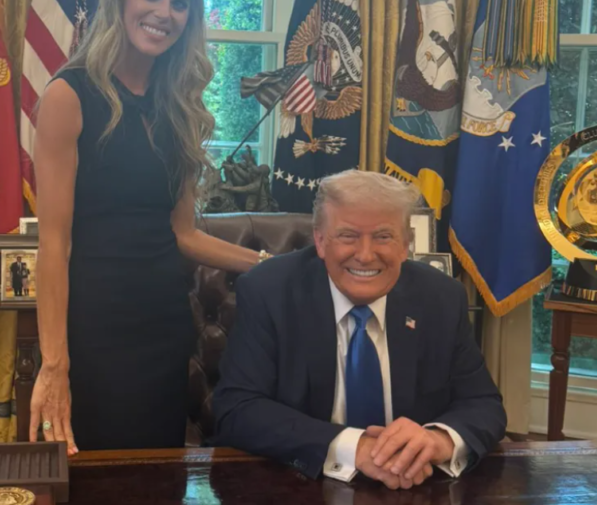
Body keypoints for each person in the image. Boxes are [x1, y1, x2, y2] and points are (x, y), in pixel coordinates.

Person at [32, 0, 269, 454]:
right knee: (96, 476)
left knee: (156, 474)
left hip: (164, 326)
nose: (164, 12)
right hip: (96, 329)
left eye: (180, 3)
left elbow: (182, 233)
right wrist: (54, 365)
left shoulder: (176, 106)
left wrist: (269, 264)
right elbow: (54, 245)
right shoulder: (69, 96)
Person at [212, 170, 506, 489]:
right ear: (320, 241)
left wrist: (438, 441)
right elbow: (237, 410)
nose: (365, 255)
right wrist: (355, 448)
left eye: (383, 237)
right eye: (348, 236)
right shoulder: (269, 291)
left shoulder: (441, 298)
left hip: (414, 486)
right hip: (298, 485)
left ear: (405, 244)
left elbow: (483, 404)